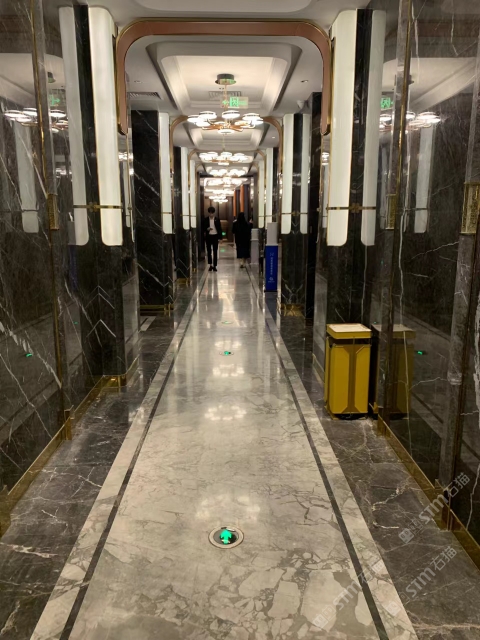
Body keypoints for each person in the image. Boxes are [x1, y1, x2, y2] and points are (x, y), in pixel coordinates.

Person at [203, 206, 222, 272]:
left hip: (215, 236)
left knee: (215, 251)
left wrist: (220, 238)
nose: (211, 214)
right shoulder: (206, 219)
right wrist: (207, 229)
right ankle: (210, 265)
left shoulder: (217, 219)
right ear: (208, 213)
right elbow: (203, 228)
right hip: (209, 236)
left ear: (214, 213)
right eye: (210, 213)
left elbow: (219, 229)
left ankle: (215, 265)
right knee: (209, 251)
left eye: (212, 213)